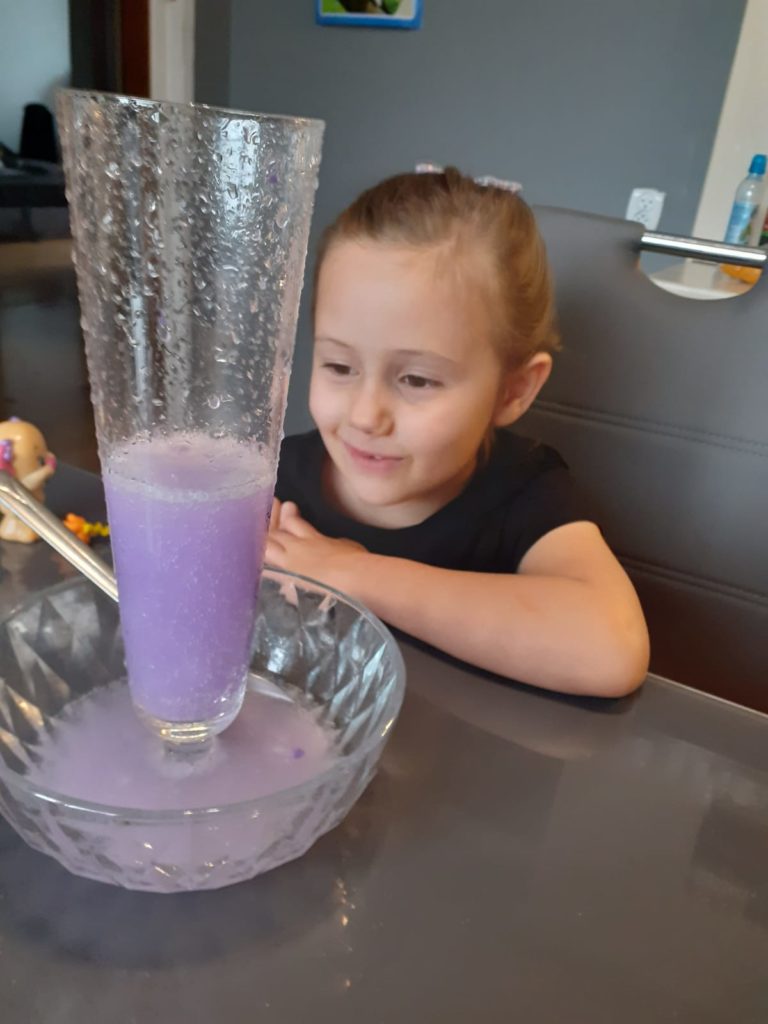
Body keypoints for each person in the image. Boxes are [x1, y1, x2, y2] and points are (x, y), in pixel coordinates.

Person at [267, 167, 649, 697]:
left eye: (416, 379)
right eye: (338, 366)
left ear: (513, 391)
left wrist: (353, 573)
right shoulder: (273, 474)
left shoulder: (525, 494)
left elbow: (611, 649)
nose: (365, 416)